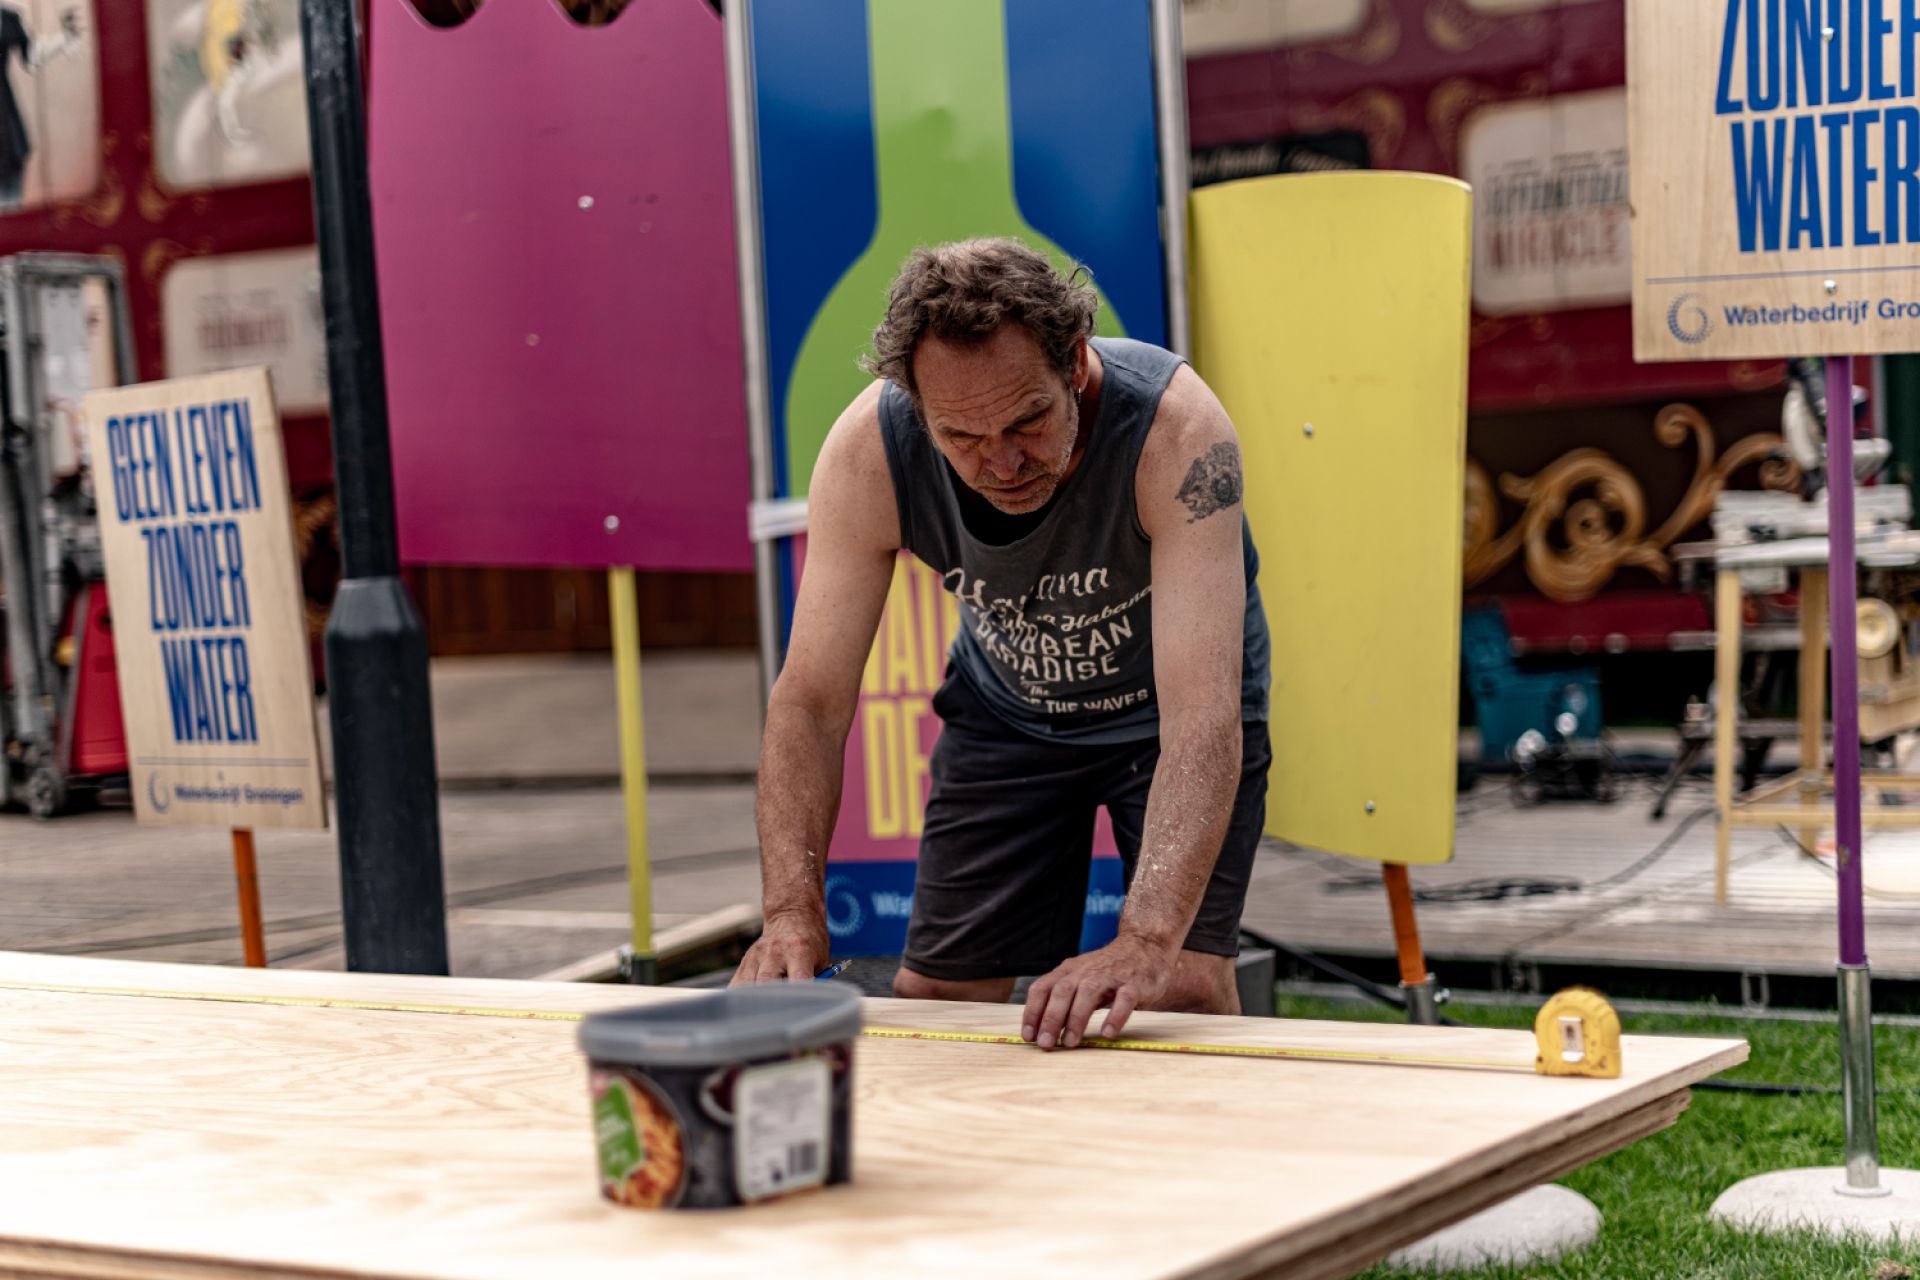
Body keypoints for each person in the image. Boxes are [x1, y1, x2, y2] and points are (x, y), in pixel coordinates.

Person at [732, 238, 1271, 1053]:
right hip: (1009, 709)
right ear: (916, 406)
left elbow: (1201, 716)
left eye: (1028, 420)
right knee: (940, 998)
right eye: (963, 437)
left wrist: (1147, 939)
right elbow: (809, 701)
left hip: (1167, 712)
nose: (1004, 461)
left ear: (1075, 361)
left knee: (1180, 990)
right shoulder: (869, 451)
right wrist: (788, 912)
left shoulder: (1179, 432)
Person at [0, 5, 82, 211]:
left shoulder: (7, 17)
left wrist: (63, 37)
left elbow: (31, 56)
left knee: (8, 206)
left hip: (6, 129)